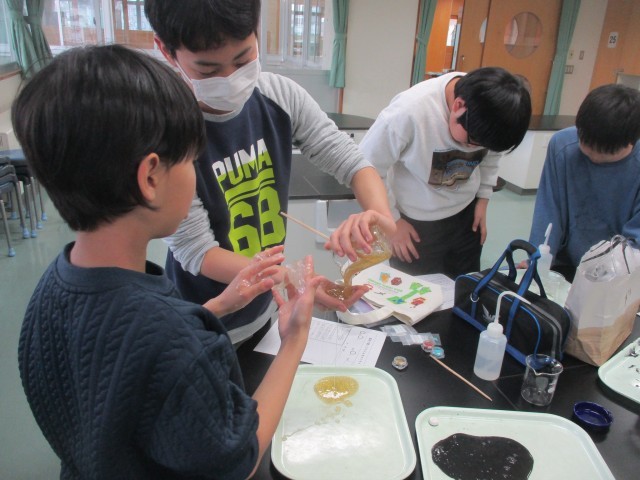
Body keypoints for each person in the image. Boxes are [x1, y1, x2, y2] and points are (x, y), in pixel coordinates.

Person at [14, 45, 324, 479]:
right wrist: (293, 340)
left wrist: (212, 310)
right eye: (191, 161)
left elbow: (122, 367)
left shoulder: (50, 292)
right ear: (150, 177)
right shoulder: (172, 342)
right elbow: (240, 456)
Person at [144, 0, 396, 344]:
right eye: (208, 70)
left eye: (243, 60)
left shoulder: (278, 95)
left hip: (266, 307)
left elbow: (350, 160)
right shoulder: (167, 132)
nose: (230, 79)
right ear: (166, 50)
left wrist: (380, 215)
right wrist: (291, 279)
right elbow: (197, 250)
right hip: (206, 316)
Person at [359, 67, 532, 278]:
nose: (473, 149)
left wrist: (483, 199)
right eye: (472, 142)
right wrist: (393, 222)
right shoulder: (408, 112)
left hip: (466, 216)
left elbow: (492, 156)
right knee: (417, 293)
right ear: (458, 106)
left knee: (464, 287)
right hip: (414, 224)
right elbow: (367, 168)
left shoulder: (491, 111)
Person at [527, 83, 640, 282]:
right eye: (584, 141)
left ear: (630, 141)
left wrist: (602, 279)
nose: (591, 154)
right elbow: (549, 210)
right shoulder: (563, 145)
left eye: (602, 151)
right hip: (564, 261)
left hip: (615, 273)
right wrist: (537, 260)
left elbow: (634, 244)